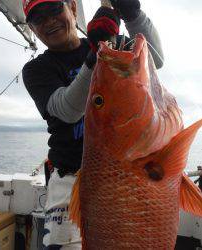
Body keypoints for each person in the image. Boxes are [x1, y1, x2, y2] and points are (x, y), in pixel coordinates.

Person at [22, 0, 164, 248]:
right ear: (32, 29)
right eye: (38, 18)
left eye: (55, 9)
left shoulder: (108, 44)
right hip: (69, 181)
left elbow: (156, 61)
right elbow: (66, 111)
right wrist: (95, 55)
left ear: (73, 9)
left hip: (125, 173)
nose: (49, 21)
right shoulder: (36, 70)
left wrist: (133, 15)